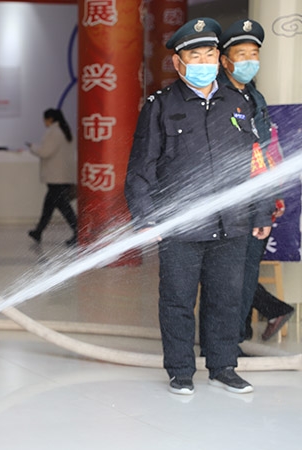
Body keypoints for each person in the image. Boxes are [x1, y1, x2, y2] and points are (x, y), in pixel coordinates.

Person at [124, 18, 274, 395]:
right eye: (195, 55)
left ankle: (223, 366)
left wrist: (261, 212)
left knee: (226, 297)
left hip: (233, 223)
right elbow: (141, 168)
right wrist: (146, 218)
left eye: (210, 53)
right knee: (177, 299)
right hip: (181, 226)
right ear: (179, 63)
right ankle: (180, 370)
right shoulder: (160, 107)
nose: (204, 60)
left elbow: (255, 164)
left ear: (218, 58)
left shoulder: (238, 103)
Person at [218, 19, 294, 343]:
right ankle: (227, 339)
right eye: (241, 53)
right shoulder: (214, 99)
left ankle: (234, 341)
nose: (249, 60)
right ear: (225, 60)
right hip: (223, 208)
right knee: (223, 276)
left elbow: (265, 154)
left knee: (245, 275)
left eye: (254, 53)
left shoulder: (256, 99)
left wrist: (269, 201)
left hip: (256, 205)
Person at [26, 108, 77, 246]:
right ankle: (38, 231)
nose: (44, 122)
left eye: (45, 119)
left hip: (56, 177)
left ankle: (78, 231)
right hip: (62, 176)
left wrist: (32, 147)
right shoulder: (65, 131)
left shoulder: (54, 132)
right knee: (49, 205)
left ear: (50, 119)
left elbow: (45, 152)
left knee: (64, 207)